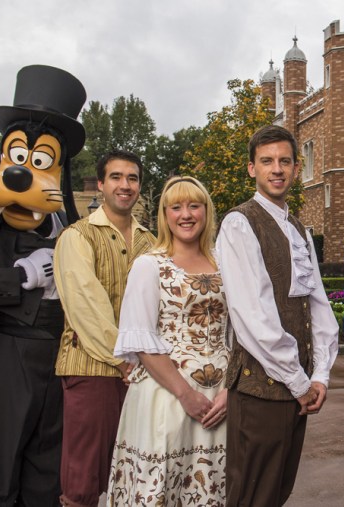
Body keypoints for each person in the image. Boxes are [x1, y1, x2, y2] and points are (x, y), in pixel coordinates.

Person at [0, 64, 85, 506]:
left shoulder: (68, 224)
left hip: (60, 353)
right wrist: (23, 275)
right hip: (10, 353)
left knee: (48, 464)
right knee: (3, 461)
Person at [216, 125, 339, 507]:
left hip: (296, 385)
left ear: (296, 167)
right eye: (267, 161)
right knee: (251, 495)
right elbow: (253, 316)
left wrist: (319, 374)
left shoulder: (298, 227)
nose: (277, 169)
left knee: (277, 493)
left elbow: (317, 305)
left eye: (285, 161)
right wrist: (300, 381)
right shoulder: (239, 223)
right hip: (260, 390)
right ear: (251, 169)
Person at [107, 176, 228, 506]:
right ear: (165, 214)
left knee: (216, 487)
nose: (185, 214)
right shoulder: (149, 266)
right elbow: (142, 341)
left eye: (194, 206)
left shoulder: (227, 263)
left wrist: (233, 390)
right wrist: (185, 394)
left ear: (206, 212)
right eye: (176, 207)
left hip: (222, 398)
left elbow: (244, 333)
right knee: (163, 486)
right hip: (167, 395)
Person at [54, 150, 155, 507]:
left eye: (132, 178)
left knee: (134, 470)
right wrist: (126, 360)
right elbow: (86, 308)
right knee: (83, 479)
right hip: (92, 366)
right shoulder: (77, 236)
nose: (124, 185)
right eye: (116, 177)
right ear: (100, 183)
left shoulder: (152, 243)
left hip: (143, 371)